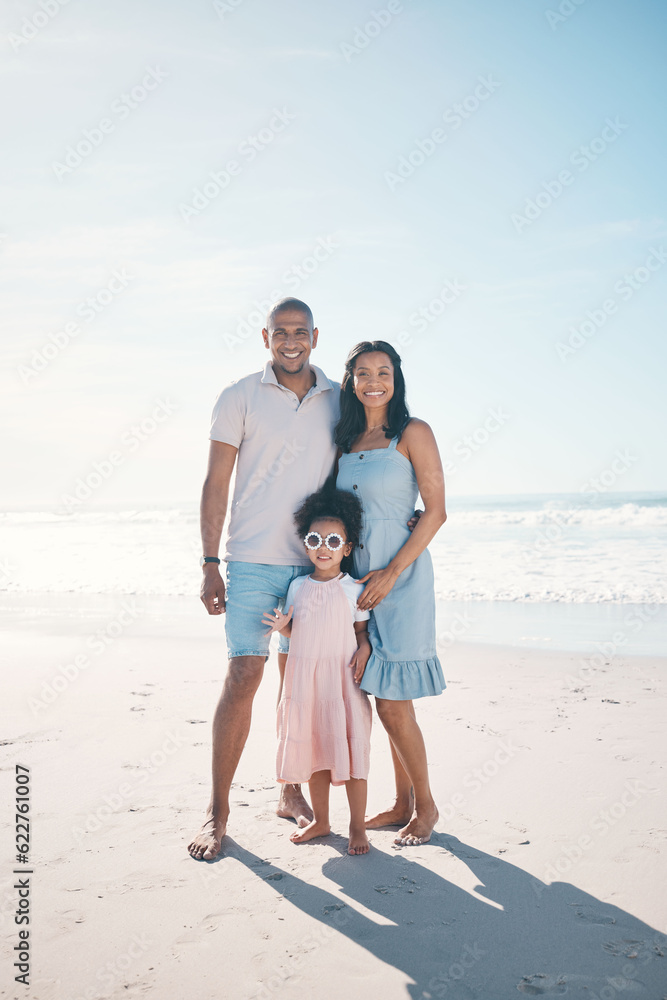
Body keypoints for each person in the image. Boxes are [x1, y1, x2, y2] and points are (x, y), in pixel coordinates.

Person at [188, 297, 340, 861]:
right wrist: (209, 563)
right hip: (250, 561)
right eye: (281, 333)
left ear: (316, 337)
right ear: (266, 337)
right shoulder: (238, 397)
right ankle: (217, 810)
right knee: (244, 675)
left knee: (299, 681)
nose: (291, 341)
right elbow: (215, 483)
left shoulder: (337, 399)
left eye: (301, 332)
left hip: (315, 562)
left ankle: (289, 790)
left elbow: (365, 465)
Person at [335, 340, 447, 846]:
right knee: (379, 696)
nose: (373, 380)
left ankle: (426, 808)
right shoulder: (345, 439)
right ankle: (401, 802)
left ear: (396, 378)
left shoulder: (413, 432)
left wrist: (392, 573)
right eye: (363, 372)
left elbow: (437, 511)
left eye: (383, 371)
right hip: (355, 580)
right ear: (351, 380)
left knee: (393, 703)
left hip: (400, 581)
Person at [262, 485, 373, 856]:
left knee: (353, 755)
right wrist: (283, 628)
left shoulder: (352, 589)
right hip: (307, 682)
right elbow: (299, 632)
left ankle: (357, 827)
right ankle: (322, 821)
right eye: (314, 539)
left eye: (332, 540)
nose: (323, 547)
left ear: (347, 547)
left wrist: (366, 648)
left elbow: (360, 632)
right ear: (306, 546)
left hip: (341, 681)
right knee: (318, 754)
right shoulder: (297, 587)